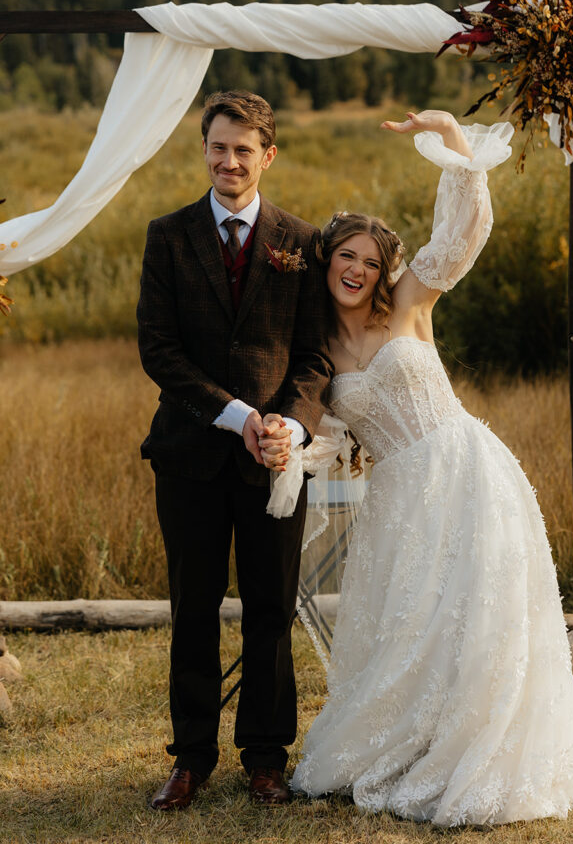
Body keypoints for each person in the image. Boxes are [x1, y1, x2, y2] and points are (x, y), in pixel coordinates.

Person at [288, 109, 573, 825]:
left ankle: (486, 744)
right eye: (346, 256)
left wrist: (449, 136)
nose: (357, 270)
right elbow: (331, 439)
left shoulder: (409, 303)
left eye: (370, 261)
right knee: (416, 627)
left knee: (479, 613)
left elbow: (460, 233)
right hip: (397, 497)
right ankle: (419, 741)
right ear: (327, 262)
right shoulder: (317, 351)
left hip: (465, 471)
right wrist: (286, 448)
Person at [137, 90, 332, 809]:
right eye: (218, 147)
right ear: (203, 149)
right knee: (191, 609)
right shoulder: (167, 235)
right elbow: (158, 351)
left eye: (243, 149)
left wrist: (289, 428)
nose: (229, 160)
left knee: (270, 611)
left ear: (267, 155)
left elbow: (315, 357)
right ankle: (190, 759)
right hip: (189, 455)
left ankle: (266, 760)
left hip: (274, 462)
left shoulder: (301, 241)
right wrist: (238, 415)